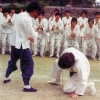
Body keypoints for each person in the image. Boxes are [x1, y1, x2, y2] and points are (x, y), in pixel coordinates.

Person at [3, 2, 41, 92]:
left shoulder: (20, 15)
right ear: (34, 10)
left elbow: (20, 30)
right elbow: (32, 33)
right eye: (36, 12)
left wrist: (28, 37)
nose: (36, 14)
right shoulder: (27, 19)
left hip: (14, 43)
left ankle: (6, 77)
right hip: (21, 45)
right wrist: (36, 34)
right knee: (28, 63)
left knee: (13, 61)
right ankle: (26, 86)